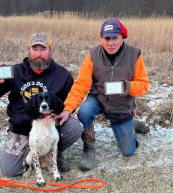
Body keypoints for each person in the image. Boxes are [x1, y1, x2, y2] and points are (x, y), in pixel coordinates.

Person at [0, 33, 83, 177]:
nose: (39, 53)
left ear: (50, 50)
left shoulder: (62, 75)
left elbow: (71, 99)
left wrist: (66, 110)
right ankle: (33, 156)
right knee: (10, 171)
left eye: (43, 49)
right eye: (35, 49)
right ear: (28, 50)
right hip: (21, 129)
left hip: (49, 125)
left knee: (74, 127)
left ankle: (53, 153)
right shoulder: (15, 72)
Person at [57, 18, 150, 171]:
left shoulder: (134, 54)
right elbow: (81, 85)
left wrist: (125, 86)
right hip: (98, 98)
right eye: (107, 38)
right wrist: (68, 109)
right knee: (85, 112)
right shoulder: (93, 54)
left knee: (128, 152)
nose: (110, 43)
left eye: (115, 38)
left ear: (122, 38)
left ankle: (133, 124)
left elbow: (144, 84)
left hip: (121, 104)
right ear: (102, 38)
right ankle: (89, 149)